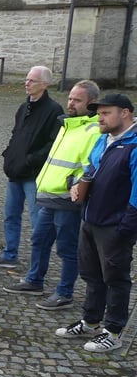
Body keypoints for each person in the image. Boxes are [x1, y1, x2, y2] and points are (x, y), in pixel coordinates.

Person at [4, 81, 101, 309]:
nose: (70, 103)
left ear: (92, 103)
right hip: (49, 195)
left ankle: (64, 293)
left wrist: (72, 186)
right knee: (39, 239)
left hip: (68, 200)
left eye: (77, 100)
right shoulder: (67, 125)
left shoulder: (93, 130)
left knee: (67, 248)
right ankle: (34, 280)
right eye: (70, 98)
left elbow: (90, 167)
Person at [55, 93, 137, 353]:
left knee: (116, 278)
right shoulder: (103, 140)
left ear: (125, 113)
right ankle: (91, 321)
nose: (99, 118)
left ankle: (113, 332)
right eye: (98, 113)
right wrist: (75, 185)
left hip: (114, 225)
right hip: (91, 219)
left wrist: (125, 228)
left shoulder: (134, 146)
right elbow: (88, 170)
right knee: (92, 275)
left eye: (105, 113)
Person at [0, 66, 63, 268]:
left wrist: (31, 160)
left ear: (44, 84)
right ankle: (10, 254)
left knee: (37, 219)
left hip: (33, 174)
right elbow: (16, 134)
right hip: (15, 171)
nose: (27, 83)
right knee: (10, 215)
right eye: (26, 79)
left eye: (32, 80)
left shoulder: (54, 110)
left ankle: (37, 262)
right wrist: (9, 155)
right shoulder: (23, 107)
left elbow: (53, 143)